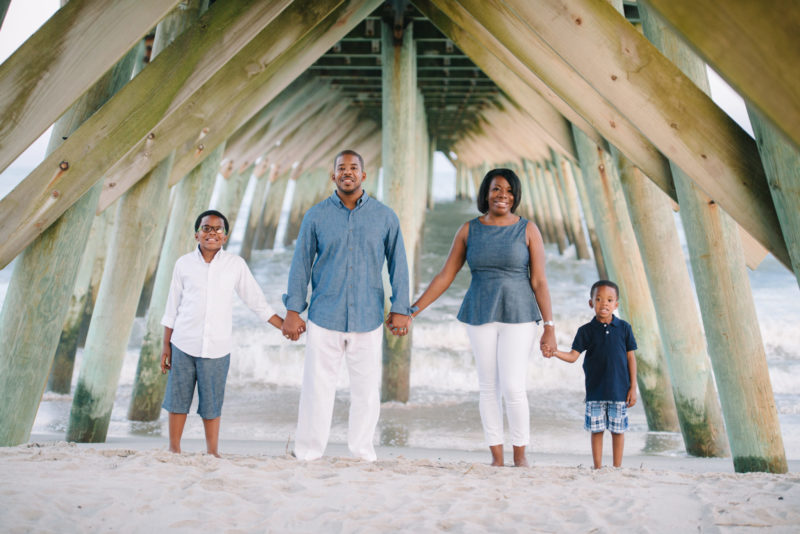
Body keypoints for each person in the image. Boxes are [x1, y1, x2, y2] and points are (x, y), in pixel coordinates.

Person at [401, 168, 555, 467]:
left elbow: (539, 281)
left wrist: (549, 326)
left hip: (520, 314)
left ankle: (520, 457)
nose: (503, 196)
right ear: (486, 192)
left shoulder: (527, 229)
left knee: (512, 386)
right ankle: (497, 458)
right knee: (488, 387)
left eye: (509, 191)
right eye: (497, 189)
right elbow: (446, 275)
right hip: (480, 312)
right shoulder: (469, 230)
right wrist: (413, 311)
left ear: (516, 196)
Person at [282, 149, 413, 462]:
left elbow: (399, 265)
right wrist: (292, 310)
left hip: (368, 316)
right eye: (341, 167)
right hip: (324, 314)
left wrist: (401, 307)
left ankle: (362, 452)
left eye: (354, 167)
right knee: (317, 388)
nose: (347, 172)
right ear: (333, 175)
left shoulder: (385, 217)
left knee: (366, 392)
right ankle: (309, 452)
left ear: (364, 175)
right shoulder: (315, 216)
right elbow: (300, 265)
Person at [160, 210, 284, 457]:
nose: (212, 233)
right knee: (178, 400)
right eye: (206, 228)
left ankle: (212, 452)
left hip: (217, 347)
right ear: (197, 234)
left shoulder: (234, 265)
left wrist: (284, 326)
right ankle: (174, 449)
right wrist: (166, 345)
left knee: (212, 403)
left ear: (225, 237)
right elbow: (172, 307)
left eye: (218, 229)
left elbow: (255, 301)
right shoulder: (183, 264)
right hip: (183, 342)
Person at [546, 280, 637, 469]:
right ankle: (597, 467)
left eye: (609, 300)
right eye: (599, 299)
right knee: (596, 431)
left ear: (616, 304)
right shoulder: (585, 331)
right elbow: (572, 356)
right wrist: (555, 352)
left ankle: (617, 467)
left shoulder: (624, 328)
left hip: (619, 390)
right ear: (591, 303)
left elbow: (631, 359)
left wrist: (632, 387)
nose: (604, 303)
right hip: (595, 391)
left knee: (618, 431)